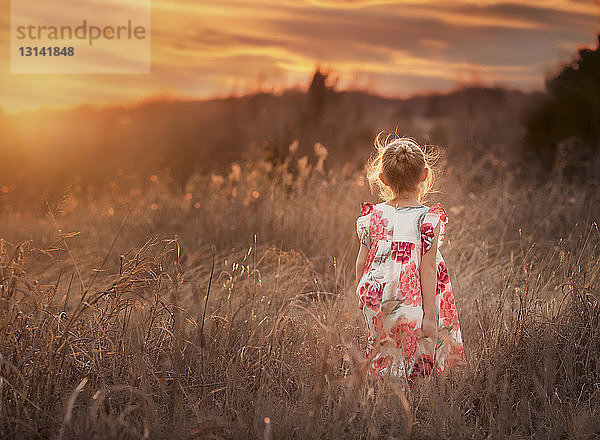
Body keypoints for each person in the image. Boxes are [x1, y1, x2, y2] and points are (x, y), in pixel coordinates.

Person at [355, 135, 465, 379]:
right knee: (416, 361)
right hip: (413, 300)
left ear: (382, 179)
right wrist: (428, 315)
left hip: (376, 298)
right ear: (425, 175)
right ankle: (411, 409)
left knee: (385, 357)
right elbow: (427, 269)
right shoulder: (428, 220)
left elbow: (361, 262)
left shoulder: (372, 217)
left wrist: (362, 296)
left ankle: (384, 404)